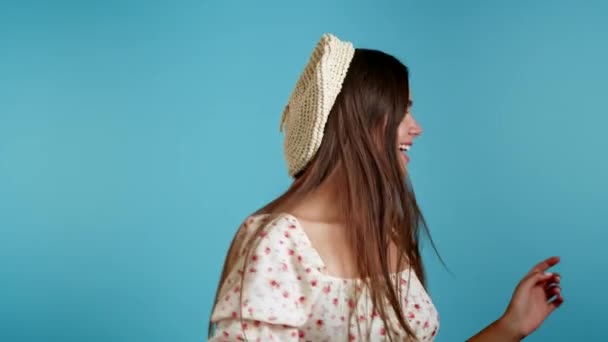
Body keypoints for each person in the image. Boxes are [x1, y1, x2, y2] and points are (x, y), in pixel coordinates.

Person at [207, 33, 563, 341]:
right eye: (402, 110)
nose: (416, 128)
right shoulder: (277, 242)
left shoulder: (386, 232)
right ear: (360, 120)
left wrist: (511, 326)